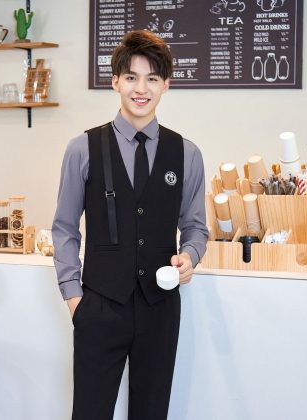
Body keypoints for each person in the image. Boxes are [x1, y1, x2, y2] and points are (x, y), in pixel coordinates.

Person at [52, 29, 208, 420]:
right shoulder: (82, 149)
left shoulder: (187, 154)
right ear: (116, 82)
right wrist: (74, 299)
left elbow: (195, 227)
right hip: (99, 306)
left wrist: (190, 256)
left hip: (160, 308)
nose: (141, 89)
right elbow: (65, 228)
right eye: (132, 77)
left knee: (152, 412)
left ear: (166, 84)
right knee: (89, 413)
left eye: (152, 78)